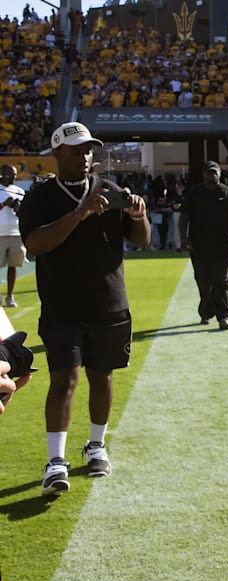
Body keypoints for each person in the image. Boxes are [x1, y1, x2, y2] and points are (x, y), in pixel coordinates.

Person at [18, 121, 151, 495]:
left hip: (108, 304)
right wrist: (80, 213)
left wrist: (138, 216)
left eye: (89, 150)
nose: (85, 157)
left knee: (102, 377)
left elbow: (140, 241)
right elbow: (37, 244)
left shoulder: (110, 190)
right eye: (76, 150)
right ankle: (55, 461)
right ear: (57, 153)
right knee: (65, 378)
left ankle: (96, 446)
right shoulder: (40, 197)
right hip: (62, 306)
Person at [178, 161, 228, 330]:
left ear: (220, 174)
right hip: (199, 245)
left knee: (222, 279)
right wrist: (183, 239)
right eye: (209, 172)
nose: (212, 175)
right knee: (203, 281)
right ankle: (206, 312)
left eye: (215, 172)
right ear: (203, 175)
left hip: (224, 245)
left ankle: (223, 316)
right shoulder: (194, 195)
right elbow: (183, 218)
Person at [0, 164, 26, 307]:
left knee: (13, 265)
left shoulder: (19, 191)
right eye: (11, 174)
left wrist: (17, 208)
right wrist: (4, 204)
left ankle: (10, 296)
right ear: (2, 174)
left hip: (15, 232)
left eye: (15, 175)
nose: (14, 177)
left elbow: (24, 211)